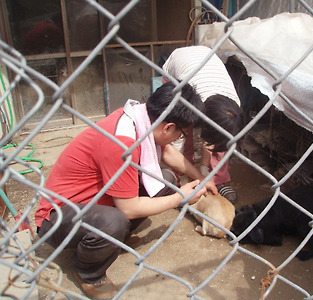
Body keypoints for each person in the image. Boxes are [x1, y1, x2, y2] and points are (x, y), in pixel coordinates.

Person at [35, 82, 217, 299]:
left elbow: (167, 154)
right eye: (181, 135)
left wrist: (201, 178)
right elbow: (128, 208)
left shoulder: (140, 118)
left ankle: (112, 240)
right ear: (168, 127)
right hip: (57, 216)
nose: (179, 140)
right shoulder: (123, 142)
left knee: (165, 179)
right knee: (116, 221)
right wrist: (180, 198)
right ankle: (88, 271)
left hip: (94, 202)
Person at [162, 45, 244, 204]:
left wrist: (204, 170)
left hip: (205, 61)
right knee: (181, 134)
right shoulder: (186, 103)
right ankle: (181, 180)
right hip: (177, 67)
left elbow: (215, 139)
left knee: (223, 138)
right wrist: (187, 174)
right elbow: (175, 144)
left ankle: (218, 180)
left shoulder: (234, 107)